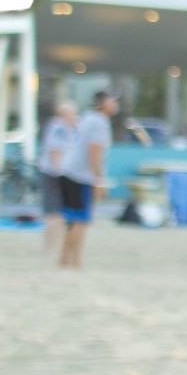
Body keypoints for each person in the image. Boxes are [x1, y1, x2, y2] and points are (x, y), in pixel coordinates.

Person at [59, 91, 117, 269]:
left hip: (68, 171)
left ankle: (64, 259)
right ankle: (75, 260)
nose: (115, 103)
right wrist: (99, 181)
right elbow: (94, 153)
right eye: (112, 100)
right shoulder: (100, 123)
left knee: (72, 220)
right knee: (81, 220)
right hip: (81, 176)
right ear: (104, 104)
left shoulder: (88, 118)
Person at [38, 99, 77, 253]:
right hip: (53, 174)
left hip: (55, 173)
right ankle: (51, 247)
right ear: (65, 114)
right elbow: (55, 152)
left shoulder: (64, 128)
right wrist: (59, 175)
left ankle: (54, 246)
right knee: (55, 213)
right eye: (74, 113)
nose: (76, 116)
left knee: (57, 213)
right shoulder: (58, 128)